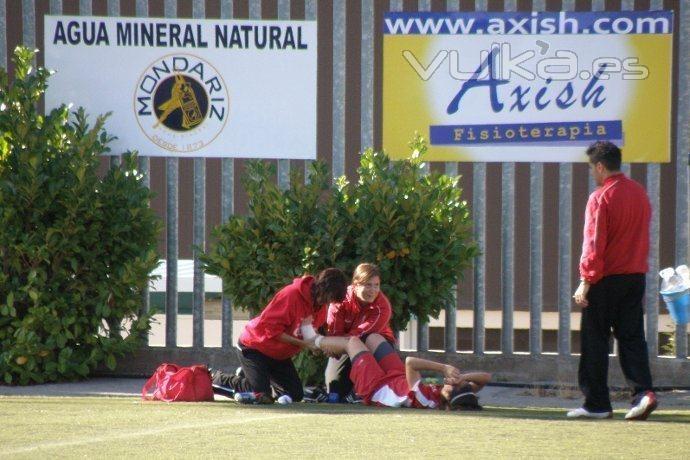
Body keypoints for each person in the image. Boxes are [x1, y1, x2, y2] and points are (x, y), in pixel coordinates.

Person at [569, 141, 657, 420]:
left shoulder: (601, 197)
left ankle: (597, 404)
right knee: (632, 339)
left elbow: (594, 244)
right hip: (635, 277)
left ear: (599, 166)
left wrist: (586, 280)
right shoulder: (639, 193)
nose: (593, 174)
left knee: (595, 340)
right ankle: (643, 394)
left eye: (592, 168)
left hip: (605, 279)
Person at [211, 268, 348, 403]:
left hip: (278, 355)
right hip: (255, 346)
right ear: (322, 288)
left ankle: (254, 376)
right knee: (260, 394)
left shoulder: (319, 306)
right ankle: (214, 378)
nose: (327, 303)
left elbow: (311, 333)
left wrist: (324, 347)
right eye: (328, 298)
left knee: (295, 394)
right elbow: (271, 331)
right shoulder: (291, 295)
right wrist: (305, 344)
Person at [315, 332, 490, 410]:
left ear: (448, 398)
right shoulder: (452, 397)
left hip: (376, 388)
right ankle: (335, 342)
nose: (450, 382)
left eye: (452, 386)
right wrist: (461, 379)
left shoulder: (426, 399)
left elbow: (411, 363)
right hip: (396, 378)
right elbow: (486, 377)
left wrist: (443, 368)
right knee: (374, 337)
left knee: (352, 342)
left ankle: (313, 341)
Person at [324, 263, 396, 401]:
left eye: (376, 285)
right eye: (368, 285)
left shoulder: (383, 306)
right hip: (345, 346)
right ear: (355, 284)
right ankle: (350, 391)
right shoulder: (340, 299)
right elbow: (334, 334)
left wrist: (335, 343)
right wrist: (330, 345)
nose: (373, 290)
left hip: (374, 345)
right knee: (334, 394)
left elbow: (362, 334)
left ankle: (371, 389)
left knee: (370, 337)